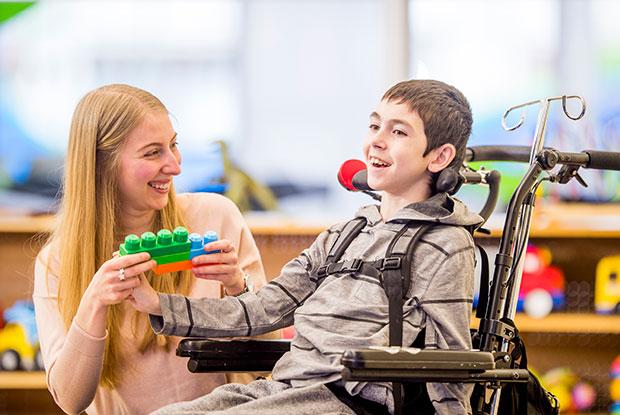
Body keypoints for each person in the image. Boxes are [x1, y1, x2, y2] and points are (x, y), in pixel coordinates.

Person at [131, 79, 483, 415]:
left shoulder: (445, 244)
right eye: (375, 126)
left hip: (348, 400)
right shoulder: (343, 235)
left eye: (399, 132)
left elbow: (451, 363)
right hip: (285, 390)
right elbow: (261, 308)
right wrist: (158, 304)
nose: (377, 141)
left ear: (438, 157)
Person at [33, 84, 272, 415]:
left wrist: (238, 286)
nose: (175, 166)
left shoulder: (216, 218)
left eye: (174, 145)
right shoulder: (56, 262)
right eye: (152, 152)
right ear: (102, 166)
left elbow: (272, 356)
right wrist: (94, 302)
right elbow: (72, 401)